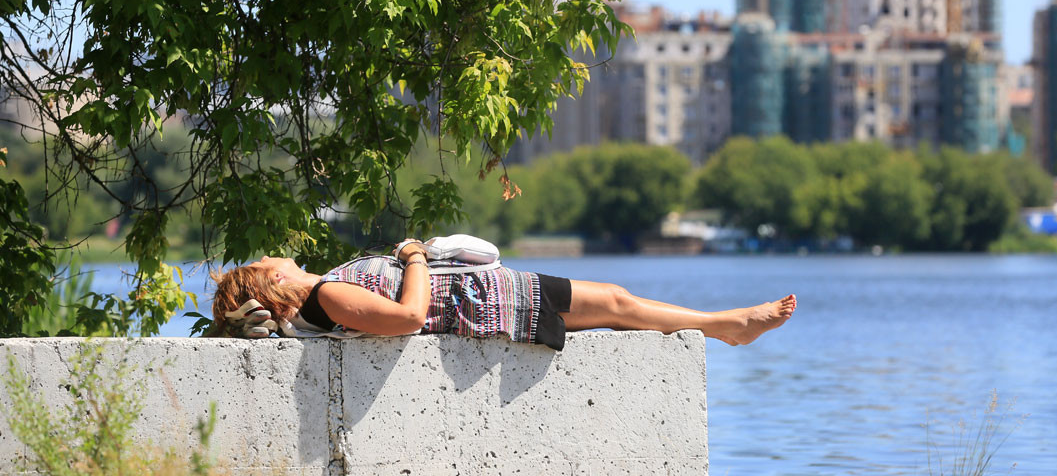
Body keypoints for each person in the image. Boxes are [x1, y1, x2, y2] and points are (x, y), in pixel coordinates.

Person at [211, 240, 796, 350]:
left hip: (490, 297)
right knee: (618, 305)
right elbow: (410, 318)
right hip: (496, 303)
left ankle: (723, 323)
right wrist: (413, 255)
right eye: (264, 262)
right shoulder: (328, 298)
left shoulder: (325, 295)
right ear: (275, 284)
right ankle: (728, 324)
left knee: (617, 304)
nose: (273, 254)